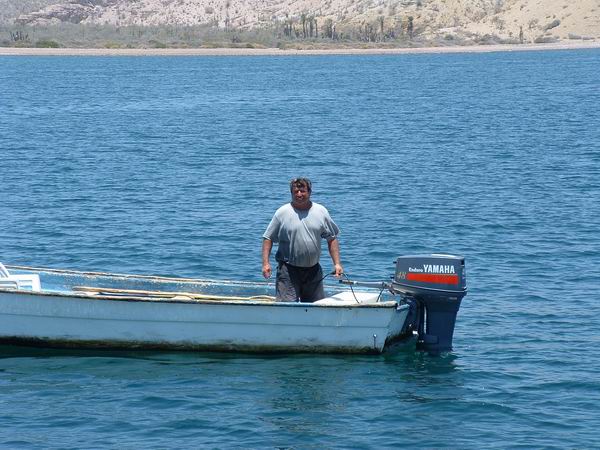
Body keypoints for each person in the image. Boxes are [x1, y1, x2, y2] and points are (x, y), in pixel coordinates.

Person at [262, 177, 343, 302]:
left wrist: (337, 264)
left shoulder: (321, 211)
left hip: (313, 270)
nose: (299, 194)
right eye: (296, 191)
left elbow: (331, 238)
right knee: (287, 308)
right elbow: (268, 238)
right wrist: (266, 264)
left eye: (303, 191)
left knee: (316, 307)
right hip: (288, 271)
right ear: (291, 193)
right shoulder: (282, 212)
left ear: (309, 192)